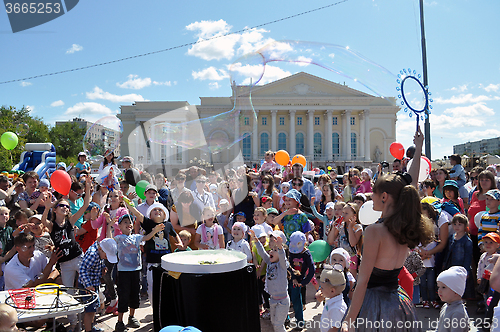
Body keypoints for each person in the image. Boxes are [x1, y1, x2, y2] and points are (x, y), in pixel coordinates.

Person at [341, 127, 435, 332]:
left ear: (384, 197)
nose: (370, 197)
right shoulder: (405, 225)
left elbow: (364, 280)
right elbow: (410, 181)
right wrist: (418, 149)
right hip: (399, 304)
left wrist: (348, 320)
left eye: (374, 192)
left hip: (375, 307)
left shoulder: (375, 231)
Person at [127, 201, 181, 303]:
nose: (157, 211)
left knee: (167, 287)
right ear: (150, 215)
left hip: (166, 263)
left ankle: (165, 310)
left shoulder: (168, 225)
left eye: (160, 210)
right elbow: (137, 214)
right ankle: (154, 309)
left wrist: (180, 242)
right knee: (152, 288)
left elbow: (175, 234)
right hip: (152, 263)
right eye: (154, 210)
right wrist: (126, 201)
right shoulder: (149, 224)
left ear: (165, 215)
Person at [114, 214, 161, 332]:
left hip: (136, 271)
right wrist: (110, 225)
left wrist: (154, 230)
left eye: (130, 221)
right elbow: (109, 242)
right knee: (123, 295)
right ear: (119, 226)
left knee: (135, 294)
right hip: (123, 272)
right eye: (125, 222)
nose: (128, 224)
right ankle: (120, 322)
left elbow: (147, 237)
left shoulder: (136, 237)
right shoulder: (118, 238)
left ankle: (131, 316)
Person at [249, 228, 289, 332]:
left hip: (282, 301)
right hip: (273, 300)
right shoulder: (270, 262)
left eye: (275, 250)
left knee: (278, 325)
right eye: (272, 249)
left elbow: (283, 257)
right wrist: (256, 240)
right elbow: (262, 252)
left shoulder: (283, 266)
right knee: (274, 324)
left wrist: (280, 248)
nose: (271, 251)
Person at [78, 238, 118, 332]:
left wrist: (103, 267)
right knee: (89, 310)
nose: (107, 258)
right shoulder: (92, 255)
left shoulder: (99, 252)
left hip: (93, 284)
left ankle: (91, 327)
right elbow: (82, 270)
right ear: (100, 249)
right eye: (106, 255)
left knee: (93, 308)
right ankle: (88, 330)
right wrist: (88, 285)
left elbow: (101, 260)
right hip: (87, 286)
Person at [468, 170, 497, 267]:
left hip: (489, 237)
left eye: (487, 180)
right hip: (474, 234)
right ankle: (477, 281)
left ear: (492, 181)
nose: (484, 182)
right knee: (476, 261)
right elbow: (470, 213)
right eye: (481, 180)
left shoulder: (496, 196)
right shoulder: (475, 194)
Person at [442, 214, 474, 300]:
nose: (457, 226)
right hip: (451, 264)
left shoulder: (467, 241)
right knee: (451, 283)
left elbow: (468, 257)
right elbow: (448, 252)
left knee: (461, 284)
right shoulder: (452, 237)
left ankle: (461, 300)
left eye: (460, 224)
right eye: (455, 224)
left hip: (461, 266)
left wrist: (466, 270)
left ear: (465, 226)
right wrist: (445, 263)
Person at [288, 231, 314, 329]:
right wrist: (293, 278)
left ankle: (300, 323)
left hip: (299, 283)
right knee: (285, 301)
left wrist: (304, 282)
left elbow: (312, 269)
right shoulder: (291, 252)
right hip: (290, 278)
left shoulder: (306, 254)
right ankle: (285, 319)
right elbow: (289, 265)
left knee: (297, 303)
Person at [435, 266, 469, 332]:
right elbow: (438, 327)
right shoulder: (445, 306)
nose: (439, 291)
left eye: (443, 287)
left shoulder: (458, 313)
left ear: (456, 291)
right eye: (438, 287)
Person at [477, 232, 500, 314]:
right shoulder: (483, 256)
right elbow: (479, 267)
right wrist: (478, 277)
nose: (488, 244)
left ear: (497, 245)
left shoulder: (497, 258)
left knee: (492, 299)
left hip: (492, 283)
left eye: (491, 242)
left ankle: (491, 315)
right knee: (485, 297)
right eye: (486, 242)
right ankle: (486, 311)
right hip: (484, 281)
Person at [319, 265, 347, 332]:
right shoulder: (332, 301)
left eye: (322, 288)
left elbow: (335, 328)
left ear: (332, 291)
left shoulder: (336, 308)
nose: (320, 289)